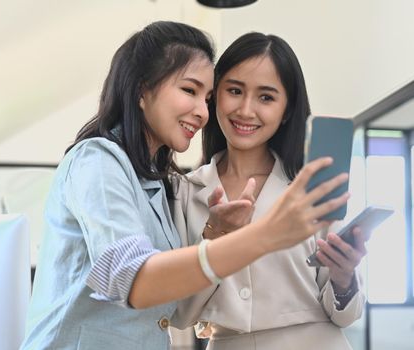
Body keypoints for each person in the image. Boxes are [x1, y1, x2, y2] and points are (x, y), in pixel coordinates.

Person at [20, 22, 349, 350]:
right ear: (141, 89)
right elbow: (132, 279)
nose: (202, 112)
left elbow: (161, 301)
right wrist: (262, 235)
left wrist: (217, 233)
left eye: (206, 97)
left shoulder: (152, 186)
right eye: (190, 91)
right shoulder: (99, 161)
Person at [170, 32, 366, 350]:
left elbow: (345, 314)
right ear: (214, 95)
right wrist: (215, 236)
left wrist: (344, 278)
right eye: (235, 91)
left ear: (287, 109)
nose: (246, 110)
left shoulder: (310, 187)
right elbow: (179, 313)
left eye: (266, 97)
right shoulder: (184, 192)